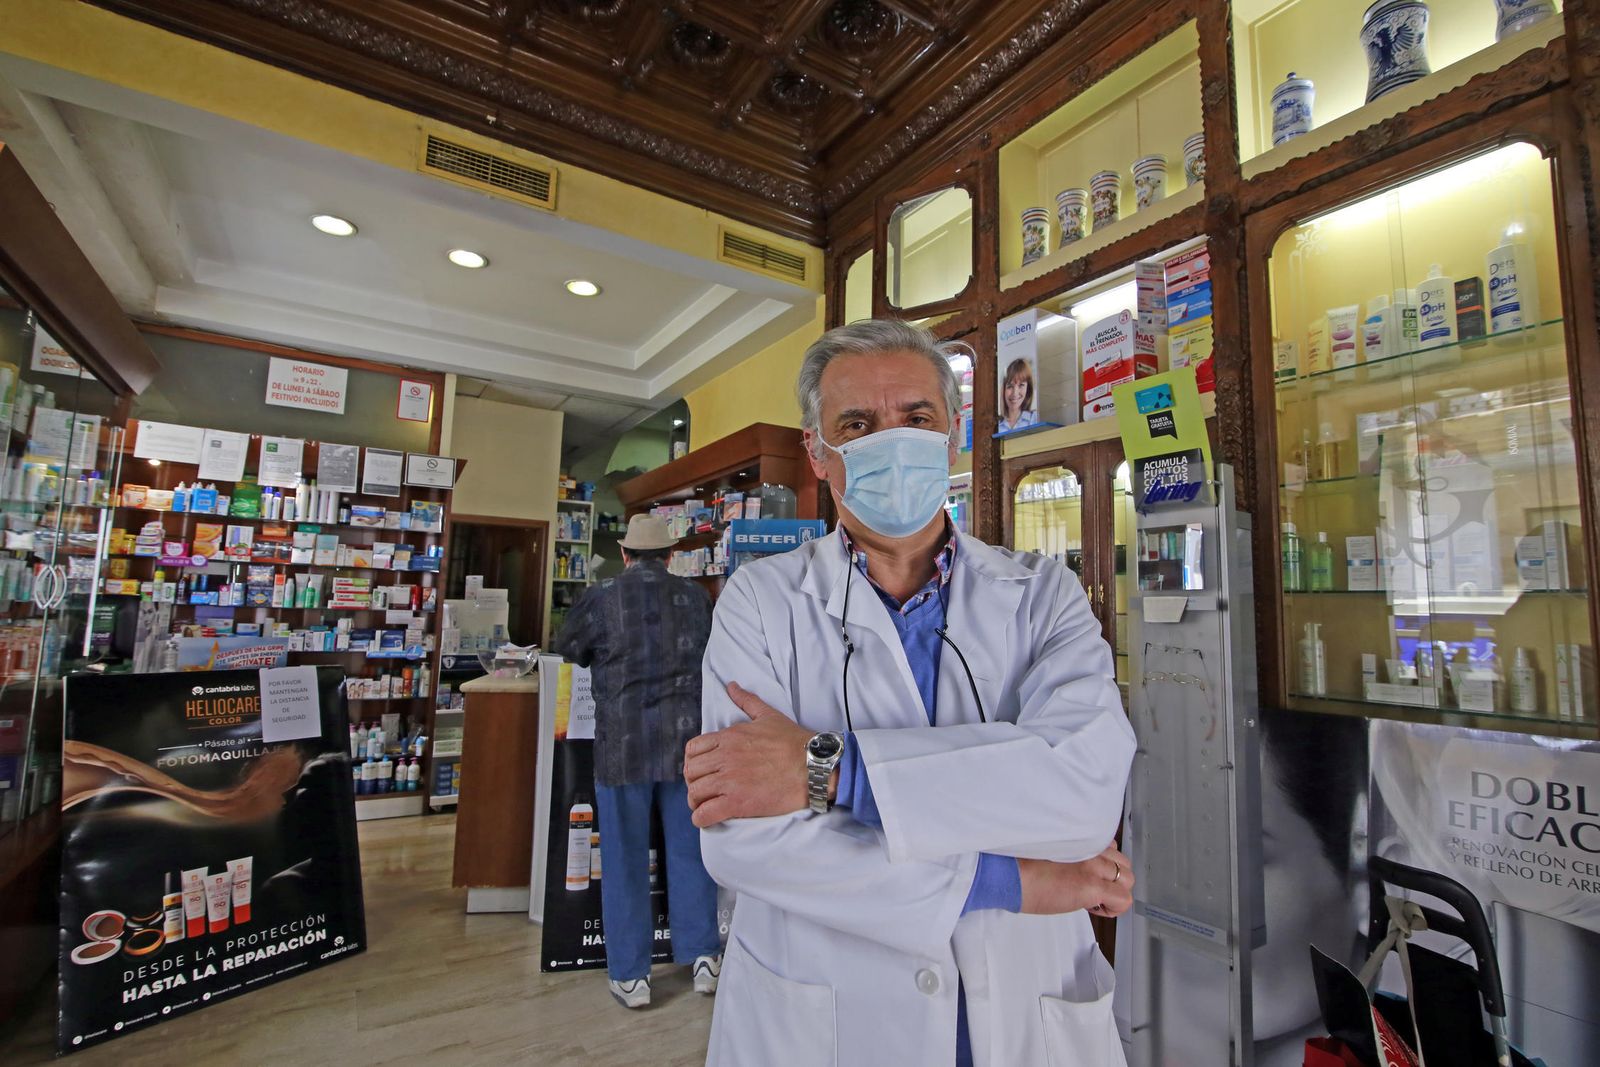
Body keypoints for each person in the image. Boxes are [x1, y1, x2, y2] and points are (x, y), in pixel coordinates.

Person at [682, 319, 1136, 1066]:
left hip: (1026, 1013)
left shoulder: (1043, 595)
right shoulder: (760, 602)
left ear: (952, 434)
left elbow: (1084, 794)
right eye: (856, 424)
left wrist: (823, 768)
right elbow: (747, 840)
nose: (890, 440)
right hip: (826, 1021)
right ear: (819, 454)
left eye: (916, 417)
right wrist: (1017, 877)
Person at [550, 513, 722, 1010]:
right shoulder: (696, 598)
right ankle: (704, 957)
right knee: (691, 851)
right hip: (686, 745)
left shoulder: (602, 597)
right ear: (670, 556)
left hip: (622, 747)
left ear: (625, 554)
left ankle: (632, 976)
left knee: (624, 859)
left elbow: (569, 650)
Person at [998, 356, 1038, 434]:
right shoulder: (996, 425)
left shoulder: (1035, 418)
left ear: (1028, 389)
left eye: (1021, 385)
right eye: (1010, 386)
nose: (1015, 393)